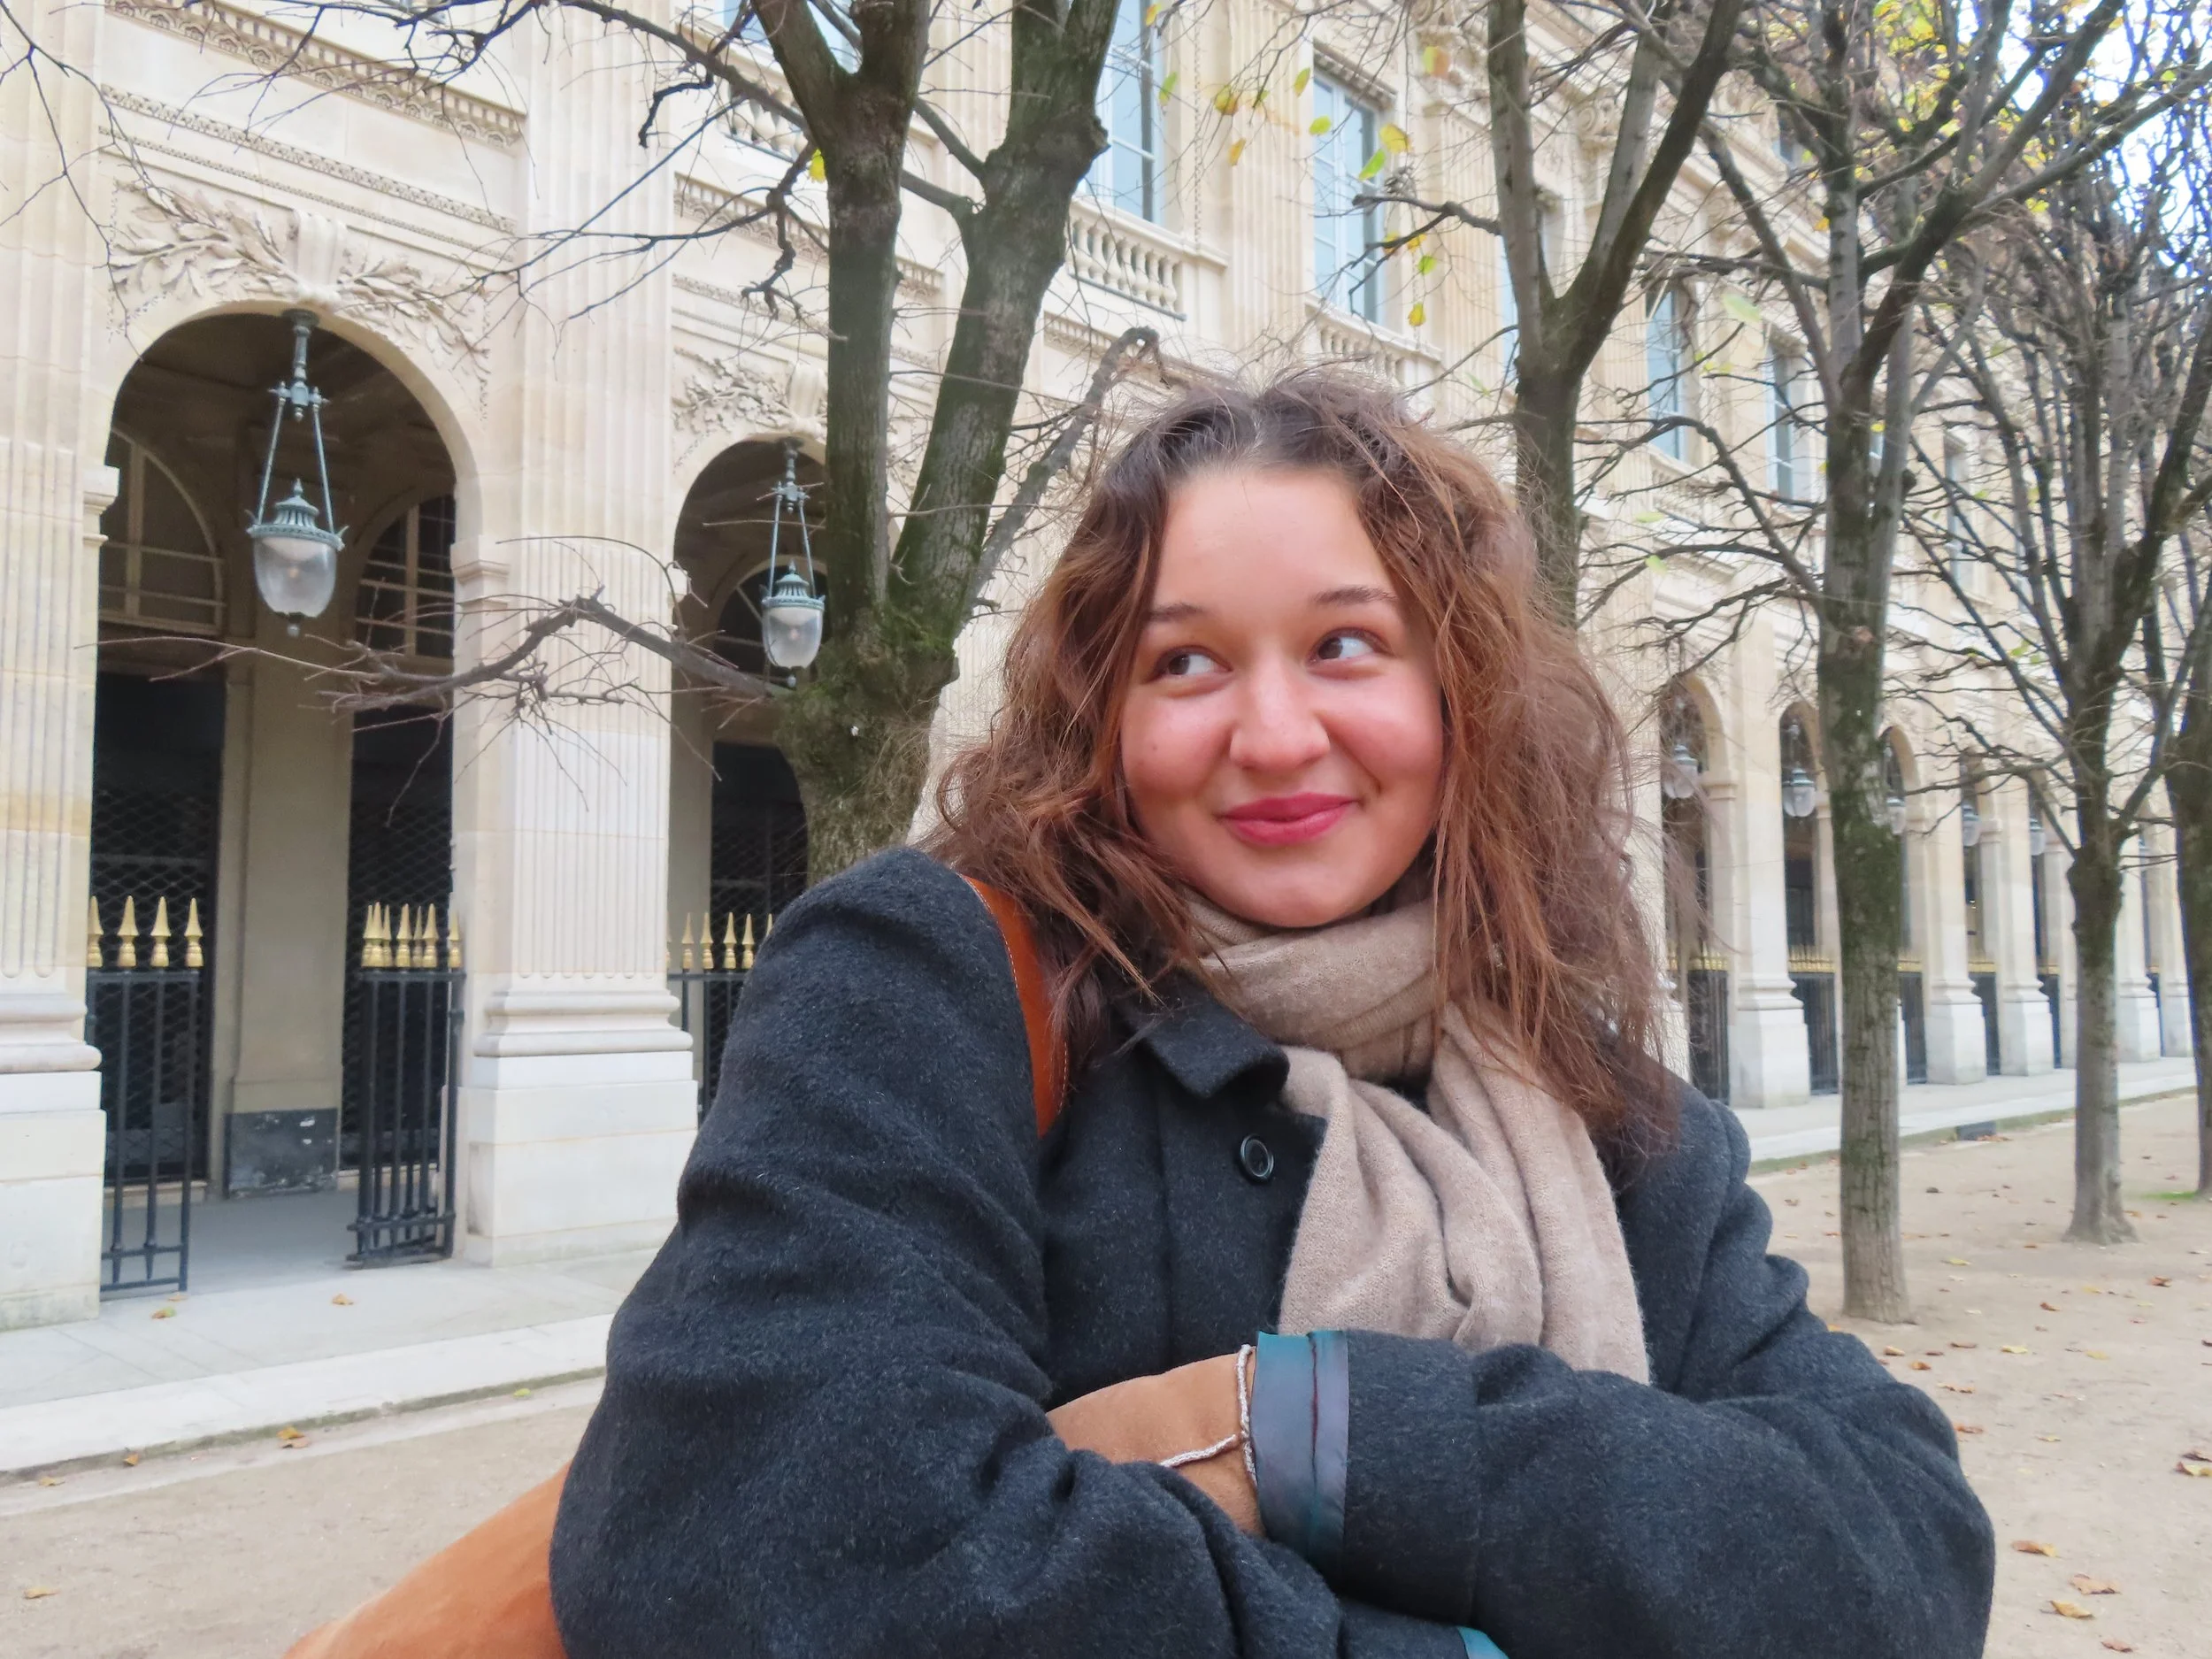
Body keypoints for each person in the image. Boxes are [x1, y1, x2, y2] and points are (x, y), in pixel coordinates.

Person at [549, 372, 1994, 1658]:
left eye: (1348, 644)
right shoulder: (929, 980)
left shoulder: (1607, 1111)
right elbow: (754, 1558)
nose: (1277, 733)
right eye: (1184, 662)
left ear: (1460, 695)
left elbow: (1904, 1553)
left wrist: (1330, 1428)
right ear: (1100, 718)